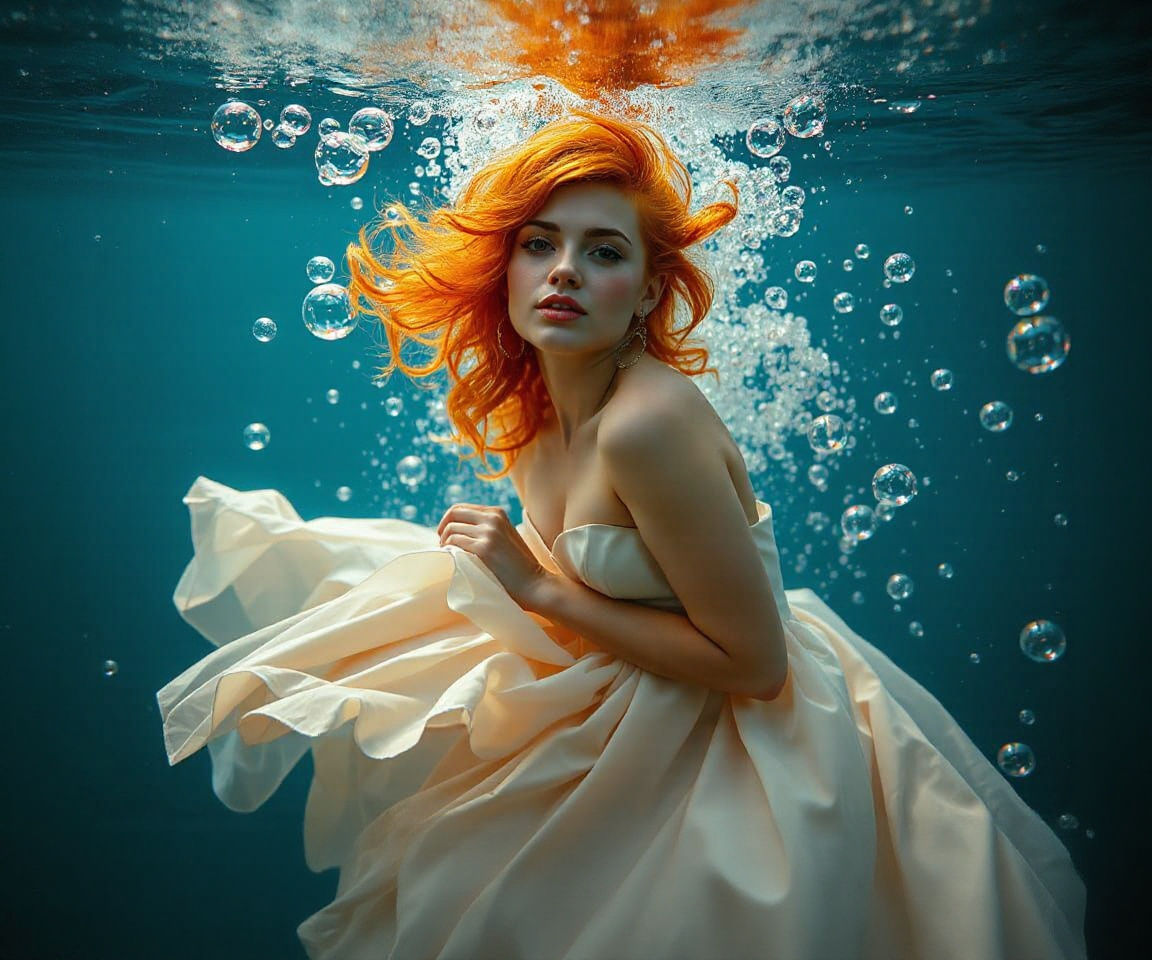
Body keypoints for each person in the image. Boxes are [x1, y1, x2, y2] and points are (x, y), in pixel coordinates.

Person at [158, 112, 1088, 960]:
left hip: (744, 744)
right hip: (622, 707)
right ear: (505, 267)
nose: (563, 270)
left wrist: (537, 588)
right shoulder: (531, 401)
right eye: (539, 244)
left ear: (647, 293)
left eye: (603, 252)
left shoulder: (646, 426)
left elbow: (755, 662)